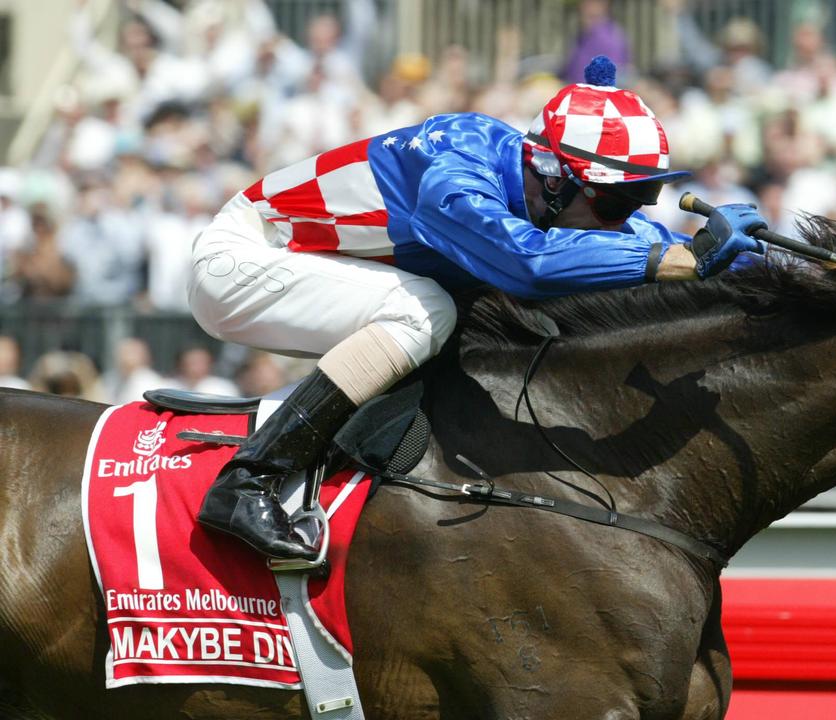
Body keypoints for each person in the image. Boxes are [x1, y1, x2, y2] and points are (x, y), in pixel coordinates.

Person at [187, 55, 767, 560]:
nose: (630, 212)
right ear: (552, 173)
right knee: (427, 312)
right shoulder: (457, 163)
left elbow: (647, 244)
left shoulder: (561, 189)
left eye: (645, 194)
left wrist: (751, 267)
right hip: (239, 258)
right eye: (619, 197)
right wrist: (681, 261)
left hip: (306, 267)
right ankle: (247, 482)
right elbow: (527, 263)